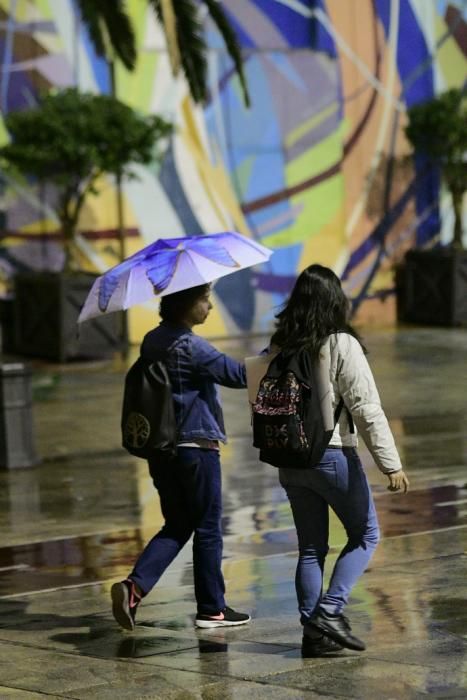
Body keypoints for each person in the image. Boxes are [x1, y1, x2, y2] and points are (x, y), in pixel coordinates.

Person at [267, 264, 409, 657]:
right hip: (332, 455)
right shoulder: (339, 343)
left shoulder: (279, 345)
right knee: (366, 535)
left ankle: (313, 636)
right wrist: (390, 463)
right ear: (335, 301)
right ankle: (330, 612)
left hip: (290, 459)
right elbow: (366, 407)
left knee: (311, 548)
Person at [111, 283, 251, 630]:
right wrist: (276, 353)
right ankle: (212, 609)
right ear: (185, 304)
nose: (210, 308)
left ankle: (134, 587)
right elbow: (239, 375)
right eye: (204, 300)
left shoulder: (152, 340)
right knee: (208, 527)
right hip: (196, 449)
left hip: (162, 450)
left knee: (177, 523)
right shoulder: (191, 346)